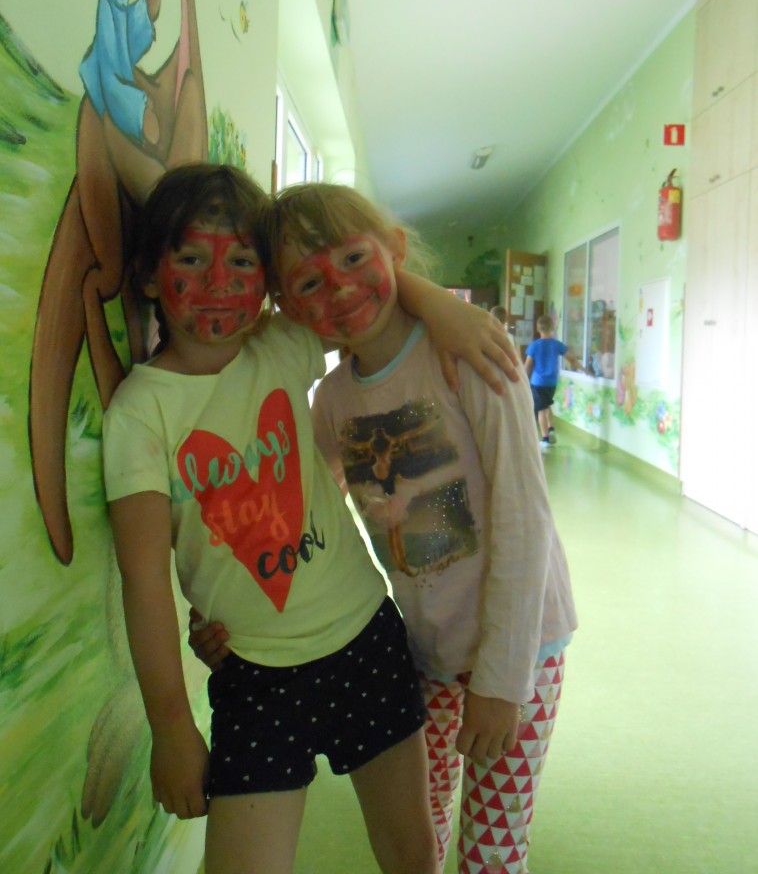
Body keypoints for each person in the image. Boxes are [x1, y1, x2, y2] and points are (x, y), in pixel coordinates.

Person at [102, 163, 520, 874]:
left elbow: (365, 296)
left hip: (365, 642)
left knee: (412, 853)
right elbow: (142, 580)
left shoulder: (280, 346)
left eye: (242, 262)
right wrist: (170, 724)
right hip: (253, 674)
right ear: (148, 275)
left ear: (266, 282)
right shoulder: (141, 412)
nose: (219, 281)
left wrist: (443, 306)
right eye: (192, 259)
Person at [192, 182, 577, 874]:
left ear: (394, 249)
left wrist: (501, 681)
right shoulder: (333, 401)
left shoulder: (470, 357)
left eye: (353, 259)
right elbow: (291, 511)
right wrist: (228, 604)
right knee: (424, 830)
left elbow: (526, 525)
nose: (340, 288)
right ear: (289, 307)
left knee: (492, 850)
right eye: (311, 281)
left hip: (522, 651)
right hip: (424, 655)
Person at [525, 314, 586, 448]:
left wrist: (523, 380)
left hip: (537, 383)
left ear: (538, 329)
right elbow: (572, 359)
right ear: (552, 328)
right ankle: (551, 428)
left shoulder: (534, 346)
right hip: (552, 383)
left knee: (541, 410)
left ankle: (545, 438)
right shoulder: (557, 345)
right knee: (546, 405)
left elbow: (528, 365)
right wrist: (584, 369)